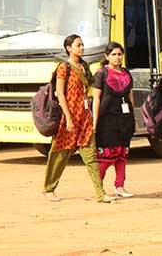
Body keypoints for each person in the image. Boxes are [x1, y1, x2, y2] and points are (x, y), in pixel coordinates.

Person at [42, 34, 112, 203]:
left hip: (84, 117)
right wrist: (68, 118)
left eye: (82, 45)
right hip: (69, 118)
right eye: (78, 45)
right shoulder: (63, 67)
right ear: (69, 48)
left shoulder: (84, 67)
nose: (82, 48)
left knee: (91, 157)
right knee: (59, 154)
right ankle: (48, 188)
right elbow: (61, 94)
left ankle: (100, 193)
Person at [92, 41, 135, 198]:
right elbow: (96, 99)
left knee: (122, 154)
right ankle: (99, 187)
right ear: (107, 56)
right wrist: (94, 122)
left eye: (119, 54)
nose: (117, 57)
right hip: (106, 120)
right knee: (107, 156)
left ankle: (120, 186)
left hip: (124, 119)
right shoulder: (101, 74)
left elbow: (130, 96)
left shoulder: (126, 73)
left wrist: (132, 117)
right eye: (113, 55)